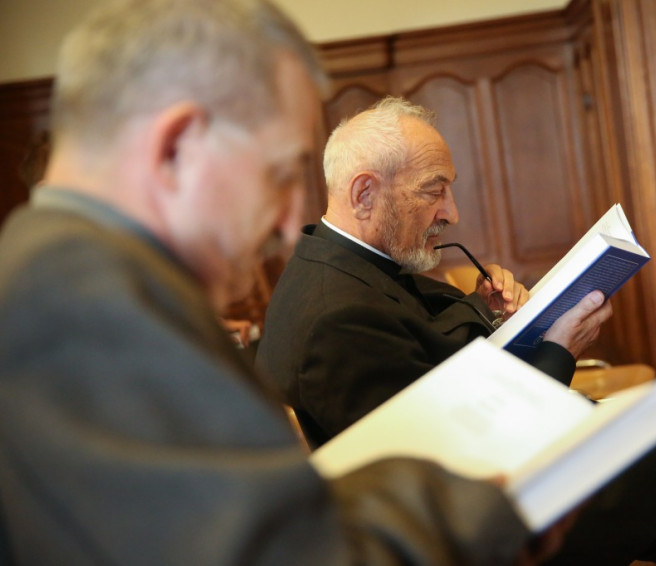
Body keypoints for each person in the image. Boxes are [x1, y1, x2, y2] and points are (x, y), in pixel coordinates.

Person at [0, 2, 575, 564]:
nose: (286, 223)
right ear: (177, 146)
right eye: (277, 175)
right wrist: (484, 513)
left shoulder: (66, 276)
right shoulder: (84, 311)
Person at [256, 96, 656, 564]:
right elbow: (458, 464)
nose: (451, 212)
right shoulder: (336, 316)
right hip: (522, 516)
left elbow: (434, 373)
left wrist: (497, 317)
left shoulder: (339, 266)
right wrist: (557, 348)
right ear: (365, 192)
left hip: (528, 462)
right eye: (435, 189)